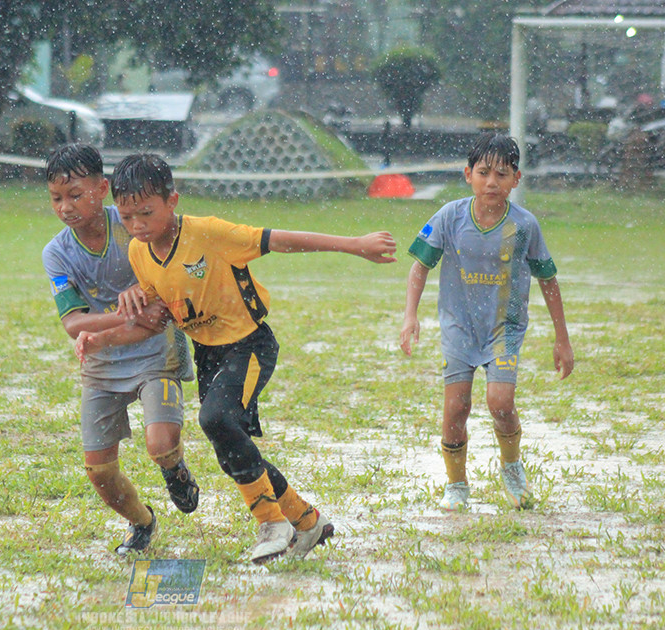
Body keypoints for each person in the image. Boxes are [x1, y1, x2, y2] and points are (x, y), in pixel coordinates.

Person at [75, 153, 397, 564]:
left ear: (172, 201)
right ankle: (307, 520)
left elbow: (279, 240)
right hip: (208, 355)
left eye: (146, 213)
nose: (137, 225)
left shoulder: (209, 233)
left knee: (216, 421)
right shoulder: (140, 254)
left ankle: (271, 522)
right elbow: (155, 321)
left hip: (250, 346)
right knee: (232, 448)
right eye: (127, 216)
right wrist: (102, 339)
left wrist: (356, 246)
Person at [399, 133, 574, 511]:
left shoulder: (525, 226)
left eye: (502, 174)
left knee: (500, 402)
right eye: (483, 173)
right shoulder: (449, 217)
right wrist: (410, 315)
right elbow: (419, 266)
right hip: (459, 328)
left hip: (503, 328)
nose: (492, 182)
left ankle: (512, 466)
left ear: (516, 179)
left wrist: (562, 339)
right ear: (468, 175)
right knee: (456, 409)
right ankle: (457, 485)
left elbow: (548, 280)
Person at [41, 144, 200, 555]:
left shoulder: (134, 223)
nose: (66, 207)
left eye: (76, 194)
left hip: (154, 352)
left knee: (161, 443)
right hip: (101, 357)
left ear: (103, 187)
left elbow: (169, 275)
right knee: (99, 472)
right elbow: (73, 324)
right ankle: (142, 522)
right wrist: (126, 315)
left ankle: (174, 468)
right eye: (57, 198)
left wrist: (146, 290)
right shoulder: (57, 253)